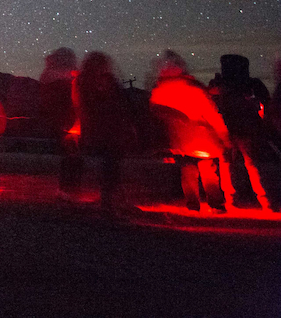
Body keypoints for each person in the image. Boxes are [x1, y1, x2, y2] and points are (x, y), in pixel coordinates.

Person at [149, 51, 229, 213]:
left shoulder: (161, 90)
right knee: (209, 172)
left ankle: (193, 205)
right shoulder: (194, 88)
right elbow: (212, 113)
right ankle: (216, 204)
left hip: (181, 140)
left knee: (187, 172)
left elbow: (155, 111)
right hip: (202, 137)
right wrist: (224, 135)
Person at [213, 53, 277, 211]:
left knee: (227, 165)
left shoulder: (219, 85)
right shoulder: (251, 84)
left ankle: (231, 200)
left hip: (227, 129)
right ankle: (266, 201)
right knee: (252, 165)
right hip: (247, 128)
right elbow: (267, 103)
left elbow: (214, 104)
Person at [73, 51, 136, 211]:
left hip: (96, 129)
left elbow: (80, 106)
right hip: (108, 129)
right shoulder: (102, 81)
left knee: (109, 165)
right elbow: (117, 105)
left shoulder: (81, 82)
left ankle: (111, 199)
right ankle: (111, 201)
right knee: (111, 164)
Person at [40, 47, 81, 197]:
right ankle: (67, 189)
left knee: (72, 156)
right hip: (67, 124)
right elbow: (61, 104)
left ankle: (69, 189)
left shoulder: (56, 78)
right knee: (71, 156)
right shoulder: (57, 81)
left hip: (70, 123)